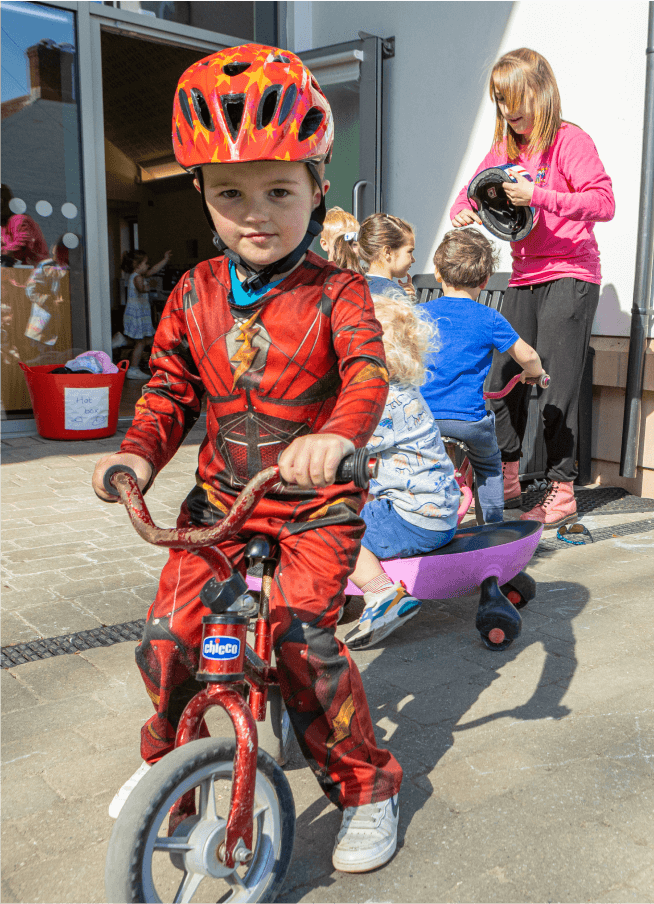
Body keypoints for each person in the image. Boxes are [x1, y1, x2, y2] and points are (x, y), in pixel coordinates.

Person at [91, 43, 402, 875]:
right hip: (220, 503)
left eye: (278, 191)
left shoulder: (340, 292)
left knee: (305, 645)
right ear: (201, 193)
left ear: (317, 189)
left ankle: (368, 788)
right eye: (230, 194)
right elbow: (167, 389)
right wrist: (136, 455)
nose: (255, 213)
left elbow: (367, 373)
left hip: (314, 505)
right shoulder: (192, 292)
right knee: (168, 640)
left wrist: (339, 436)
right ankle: (174, 771)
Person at [450, 47, 614, 528]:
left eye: (516, 98)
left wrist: (538, 195)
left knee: (556, 385)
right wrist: (465, 209)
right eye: (500, 101)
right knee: (501, 381)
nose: (509, 111)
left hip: (570, 273)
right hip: (524, 274)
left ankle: (562, 491)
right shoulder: (507, 148)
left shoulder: (569, 140)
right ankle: (508, 476)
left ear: (539, 90)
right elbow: (472, 189)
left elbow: (603, 202)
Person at [345, 291, 460, 651]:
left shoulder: (382, 402)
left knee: (332, 527)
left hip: (413, 518)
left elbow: (346, 443)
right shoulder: (402, 390)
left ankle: (381, 595)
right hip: (433, 510)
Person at [421, 228, 544, 524]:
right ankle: (491, 525)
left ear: (438, 273)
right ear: (486, 279)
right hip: (468, 422)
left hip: (422, 419)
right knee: (489, 466)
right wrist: (534, 372)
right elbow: (527, 355)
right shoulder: (489, 318)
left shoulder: (419, 314)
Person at [120, 248, 171, 380]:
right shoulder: (137, 277)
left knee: (147, 340)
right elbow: (142, 289)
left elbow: (153, 270)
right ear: (137, 265)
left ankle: (121, 339)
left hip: (139, 313)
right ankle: (133, 368)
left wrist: (165, 259)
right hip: (137, 315)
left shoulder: (138, 276)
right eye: (145, 263)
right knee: (141, 342)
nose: (147, 265)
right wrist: (148, 287)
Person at [358, 212, 416, 299]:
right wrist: (405, 301)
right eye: (410, 251)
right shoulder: (394, 295)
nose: (413, 259)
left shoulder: (356, 287)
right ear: (387, 252)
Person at [1, 183, 49, 267]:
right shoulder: (3, 226)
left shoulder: (19, 220)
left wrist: (3, 251)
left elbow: (20, 246)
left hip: (32, 273)